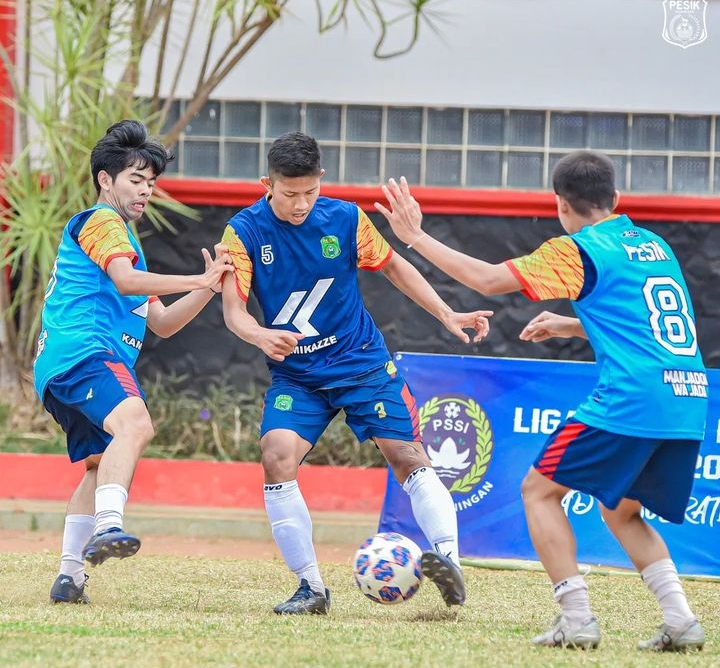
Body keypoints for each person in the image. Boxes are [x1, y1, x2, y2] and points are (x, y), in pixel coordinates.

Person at [375, 150, 707, 652]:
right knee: (621, 512)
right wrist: (573, 324)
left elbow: (488, 280)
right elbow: (650, 326)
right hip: (687, 400)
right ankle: (680, 620)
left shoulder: (580, 249)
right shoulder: (654, 245)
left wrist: (415, 237)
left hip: (633, 397)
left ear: (560, 204)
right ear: (616, 198)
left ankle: (576, 618)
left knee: (538, 491)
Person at [219, 131, 492, 614]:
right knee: (276, 455)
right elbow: (233, 312)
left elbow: (394, 267)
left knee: (407, 455)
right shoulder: (242, 232)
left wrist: (447, 313)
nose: (301, 204)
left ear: (321, 180)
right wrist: (259, 335)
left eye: (310, 192)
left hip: (362, 363)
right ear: (267, 184)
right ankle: (310, 588)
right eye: (289, 194)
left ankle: (449, 561)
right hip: (298, 376)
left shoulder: (346, 218)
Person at [34, 119, 233, 604]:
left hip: (58, 367)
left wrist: (208, 286)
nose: (146, 191)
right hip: (86, 353)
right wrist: (194, 278)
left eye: (151, 182)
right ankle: (109, 526)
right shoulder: (103, 222)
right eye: (136, 179)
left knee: (98, 465)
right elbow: (125, 282)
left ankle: (69, 577)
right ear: (106, 180)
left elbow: (161, 323)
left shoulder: (126, 244)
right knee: (137, 424)